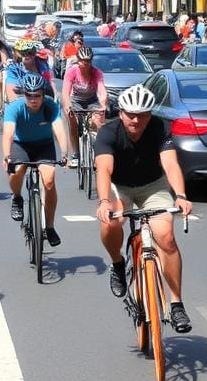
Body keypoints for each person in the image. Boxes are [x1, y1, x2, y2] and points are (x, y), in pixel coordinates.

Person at [94, 84, 193, 334]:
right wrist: (104, 202)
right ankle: (118, 263)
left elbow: (170, 164)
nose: (136, 120)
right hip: (121, 187)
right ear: (121, 113)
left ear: (150, 115)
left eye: (143, 115)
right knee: (110, 223)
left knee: (167, 238)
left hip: (153, 186)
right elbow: (104, 168)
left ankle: (177, 304)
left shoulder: (160, 128)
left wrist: (180, 196)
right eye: (130, 114)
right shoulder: (108, 132)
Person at [2, 72, 68, 246]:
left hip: (44, 145)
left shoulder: (50, 106)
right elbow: (8, 133)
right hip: (20, 144)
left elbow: (59, 129)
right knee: (16, 171)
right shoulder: (14, 107)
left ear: (43, 93)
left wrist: (65, 153)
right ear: (24, 94)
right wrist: (7, 156)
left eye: (37, 95)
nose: (33, 99)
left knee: (49, 181)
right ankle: (17, 197)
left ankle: (50, 227)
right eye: (29, 95)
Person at [60, 45, 107, 167]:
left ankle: (97, 152)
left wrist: (102, 105)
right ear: (77, 59)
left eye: (88, 61)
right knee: (73, 121)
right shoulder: (72, 71)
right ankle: (75, 153)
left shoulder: (96, 73)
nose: (85, 64)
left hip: (92, 101)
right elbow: (65, 92)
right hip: (76, 101)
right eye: (82, 60)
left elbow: (102, 91)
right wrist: (68, 106)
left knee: (97, 122)